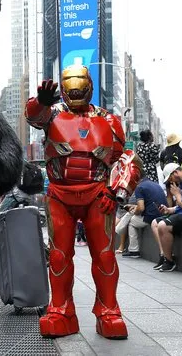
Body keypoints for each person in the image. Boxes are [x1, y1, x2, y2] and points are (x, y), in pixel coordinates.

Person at [26, 66, 142, 339]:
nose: (76, 93)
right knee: (58, 255)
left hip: (97, 196)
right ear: (64, 91)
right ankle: (61, 309)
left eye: (80, 88)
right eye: (71, 89)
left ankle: (108, 310)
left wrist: (115, 191)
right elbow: (34, 116)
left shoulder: (109, 120)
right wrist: (40, 101)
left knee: (104, 255)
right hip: (59, 196)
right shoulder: (51, 115)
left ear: (89, 87)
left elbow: (126, 158)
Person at [121, 173, 167, 258]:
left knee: (131, 222)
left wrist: (134, 211)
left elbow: (141, 208)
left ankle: (133, 250)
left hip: (151, 216)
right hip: (162, 213)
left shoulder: (140, 187)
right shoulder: (155, 184)